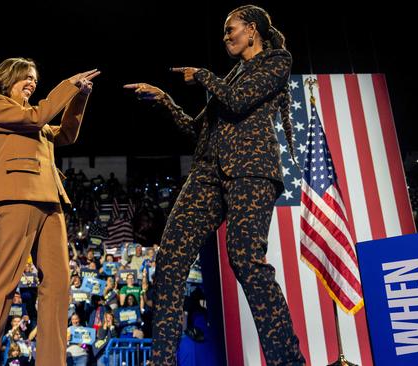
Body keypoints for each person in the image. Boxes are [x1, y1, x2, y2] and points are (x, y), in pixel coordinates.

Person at [124, 5, 305, 365]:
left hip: (251, 172)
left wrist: (204, 75)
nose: (225, 37)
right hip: (207, 174)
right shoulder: (232, 75)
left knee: (245, 259)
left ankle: (288, 360)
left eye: (230, 30)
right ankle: (162, 360)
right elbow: (196, 129)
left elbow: (239, 102)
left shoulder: (276, 61)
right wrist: (165, 100)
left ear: (252, 30)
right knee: (170, 259)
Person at [0, 57, 100, 366]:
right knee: (4, 284)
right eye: (25, 76)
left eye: (34, 77)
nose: (31, 81)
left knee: (58, 286)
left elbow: (67, 134)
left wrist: (80, 95)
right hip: (17, 197)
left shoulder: (36, 119)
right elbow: (36, 117)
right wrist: (67, 85)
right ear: (8, 78)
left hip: (51, 199)